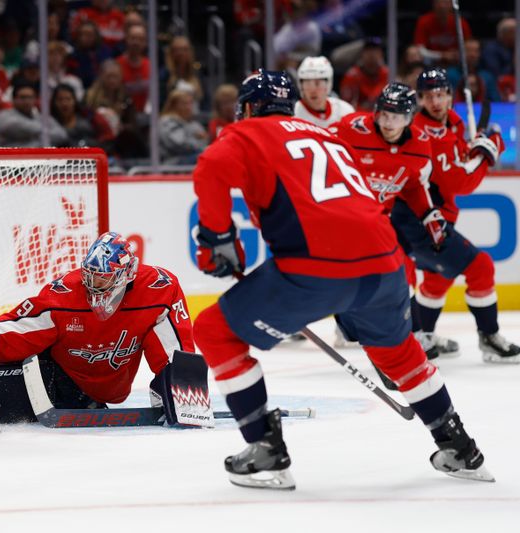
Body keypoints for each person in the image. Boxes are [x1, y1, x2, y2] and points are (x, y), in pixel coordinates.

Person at [191, 70, 491, 489]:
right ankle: (459, 447)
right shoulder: (328, 136)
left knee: (213, 331)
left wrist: (216, 239)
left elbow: (211, 166)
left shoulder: (246, 133)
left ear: (246, 108)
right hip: (386, 265)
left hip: (316, 265)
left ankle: (266, 450)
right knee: (399, 353)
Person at [0, 232, 202, 428]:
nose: (92, 286)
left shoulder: (159, 289)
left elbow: (173, 348)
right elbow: (22, 330)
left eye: (101, 279)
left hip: (104, 393)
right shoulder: (66, 293)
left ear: (125, 277)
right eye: (89, 276)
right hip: (59, 381)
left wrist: (180, 392)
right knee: (16, 379)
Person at [391, 68, 520, 363]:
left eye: (441, 94)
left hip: (432, 217)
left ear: (450, 96)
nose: (436, 101)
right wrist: (487, 152)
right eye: (428, 96)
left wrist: (473, 147)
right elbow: (458, 183)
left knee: (438, 277)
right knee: (480, 267)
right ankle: (489, 337)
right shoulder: (423, 133)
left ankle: (423, 332)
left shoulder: (451, 124)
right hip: (419, 219)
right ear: (420, 100)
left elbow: (457, 159)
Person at [330, 83, 453, 359]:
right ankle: (355, 327)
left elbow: (414, 185)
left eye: (396, 117)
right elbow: (318, 148)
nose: (388, 123)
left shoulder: (420, 145)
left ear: (409, 118)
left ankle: (403, 335)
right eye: (384, 115)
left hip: (377, 222)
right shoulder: (352, 128)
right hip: (340, 219)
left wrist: (429, 214)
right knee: (346, 279)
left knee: (401, 272)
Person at [0, 80, 67, 148]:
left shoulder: (41, 117)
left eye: (30, 97)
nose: (27, 101)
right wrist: (42, 136)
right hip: (9, 159)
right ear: (14, 99)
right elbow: (14, 126)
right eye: (23, 97)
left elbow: (61, 135)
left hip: (38, 160)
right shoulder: (4, 115)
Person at [293, 56, 354, 129]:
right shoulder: (293, 113)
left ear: (328, 84)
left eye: (317, 83)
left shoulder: (344, 111)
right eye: (307, 84)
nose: (313, 90)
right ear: (301, 85)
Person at [159, 90, 208, 165]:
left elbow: (205, 139)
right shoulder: (167, 121)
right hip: (172, 163)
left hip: (191, 157)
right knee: (206, 156)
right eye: (184, 104)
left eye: (190, 103)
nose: (188, 107)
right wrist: (199, 143)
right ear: (173, 105)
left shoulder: (193, 123)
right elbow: (180, 144)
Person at [340, 38, 389, 111]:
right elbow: (346, 104)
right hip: (358, 116)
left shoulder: (387, 73)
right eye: (368, 51)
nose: (372, 55)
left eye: (375, 51)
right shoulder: (352, 75)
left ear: (381, 54)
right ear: (362, 54)